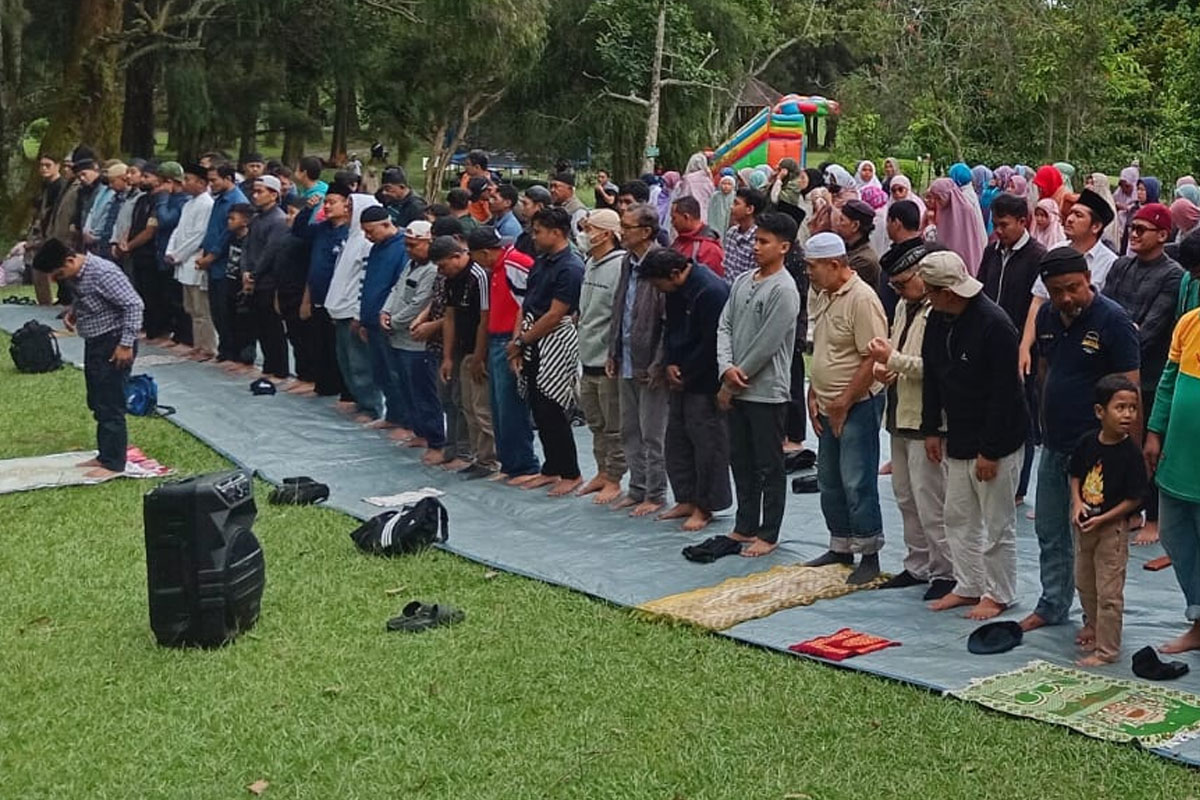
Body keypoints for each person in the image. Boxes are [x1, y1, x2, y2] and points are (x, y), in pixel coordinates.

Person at [1020, 246, 1140, 633]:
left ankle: (1095, 618)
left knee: (1093, 540)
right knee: (1050, 530)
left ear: (1088, 278)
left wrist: (1130, 457)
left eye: (1073, 287)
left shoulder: (1113, 322)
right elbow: (1044, 368)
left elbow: (1130, 391)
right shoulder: (1048, 316)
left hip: (1097, 454)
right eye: (1057, 291)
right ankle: (1053, 603)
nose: (1066, 297)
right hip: (1055, 446)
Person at [919, 250, 1028, 619]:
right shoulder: (938, 318)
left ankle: (999, 593)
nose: (929, 299)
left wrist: (991, 451)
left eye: (931, 292)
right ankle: (968, 585)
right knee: (958, 515)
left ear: (947, 291)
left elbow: (1006, 393)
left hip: (998, 437)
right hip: (959, 433)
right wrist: (931, 427)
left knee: (997, 522)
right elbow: (932, 376)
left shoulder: (994, 325)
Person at [866, 243, 955, 597]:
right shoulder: (905, 305)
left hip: (928, 420)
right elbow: (897, 352)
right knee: (906, 498)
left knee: (932, 500)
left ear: (922, 276)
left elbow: (938, 370)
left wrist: (894, 360)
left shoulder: (942, 308)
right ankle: (917, 565)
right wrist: (885, 364)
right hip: (899, 413)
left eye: (904, 283)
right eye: (895, 286)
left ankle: (945, 572)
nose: (899, 291)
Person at [802, 231, 888, 581]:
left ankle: (869, 554)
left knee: (858, 479)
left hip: (858, 403)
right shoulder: (822, 294)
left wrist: (844, 401)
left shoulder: (862, 299)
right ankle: (840, 546)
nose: (807, 273)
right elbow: (821, 346)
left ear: (835, 265)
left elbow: (873, 358)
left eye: (812, 267)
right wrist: (815, 393)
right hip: (827, 401)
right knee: (830, 478)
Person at [717, 211, 801, 557]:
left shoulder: (784, 290)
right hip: (736, 385)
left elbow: (767, 344)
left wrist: (734, 379)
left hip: (766, 392)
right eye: (756, 240)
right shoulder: (742, 281)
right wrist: (725, 367)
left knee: (768, 464)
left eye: (764, 242)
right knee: (740, 459)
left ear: (784, 247)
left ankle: (769, 532)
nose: (756, 247)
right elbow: (724, 326)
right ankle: (745, 524)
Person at [1102, 203, 1183, 544]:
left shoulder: (1173, 275)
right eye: (1131, 228)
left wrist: (1120, 335)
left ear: (1163, 235)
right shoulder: (1121, 266)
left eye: (1141, 230)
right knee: (1114, 443)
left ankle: (1153, 516)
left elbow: (1151, 329)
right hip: (1112, 370)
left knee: (1149, 446)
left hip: (1148, 375)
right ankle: (1126, 508)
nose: (1132, 235)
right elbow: (1103, 308)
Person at [32, 240, 143, 478]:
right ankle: (105, 455)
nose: (59, 279)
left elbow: (134, 305)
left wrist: (125, 344)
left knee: (111, 402)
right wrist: (74, 312)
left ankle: (114, 464)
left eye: (60, 273)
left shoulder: (103, 272)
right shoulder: (77, 275)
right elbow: (89, 298)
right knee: (98, 400)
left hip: (114, 343)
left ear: (71, 260)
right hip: (95, 342)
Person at [641, 247, 732, 531]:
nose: (658, 290)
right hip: (678, 373)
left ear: (674, 273)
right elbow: (670, 329)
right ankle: (686, 497)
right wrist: (669, 363)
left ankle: (705, 505)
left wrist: (688, 373)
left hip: (705, 380)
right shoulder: (673, 291)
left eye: (658, 284)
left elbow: (713, 342)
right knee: (677, 440)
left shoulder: (711, 291)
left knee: (708, 444)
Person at [1068, 375, 1146, 666]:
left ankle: (1107, 650)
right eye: (1120, 407)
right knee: (1084, 582)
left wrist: (1105, 520)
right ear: (1100, 412)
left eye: (1133, 408)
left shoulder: (1131, 454)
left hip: (1111, 530)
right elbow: (1075, 474)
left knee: (1109, 590)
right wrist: (1077, 503)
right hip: (1085, 525)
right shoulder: (1088, 442)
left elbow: (1134, 499)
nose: (1128, 414)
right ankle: (1094, 626)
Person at [506, 207, 585, 496]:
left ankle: (571, 472)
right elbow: (526, 304)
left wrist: (521, 341)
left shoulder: (571, 267)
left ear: (557, 232)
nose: (534, 237)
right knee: (538, 405)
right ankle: (551, 468)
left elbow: (555, 315)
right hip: (531, 335)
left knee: (553, 405)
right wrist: (518, 340)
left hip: (554, 338)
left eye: (538, 232)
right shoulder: (542, 261)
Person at [976, 192, 1047, 504]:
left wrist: (1026, 346)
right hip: (987, 346)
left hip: (1022, 350)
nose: (999, 231)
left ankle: (1018, 487)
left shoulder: (1037, 256)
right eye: (995, 225)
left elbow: (1038, 308)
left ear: (1023, 222)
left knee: (1021, 413)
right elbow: (980, 290)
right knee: (988, 406)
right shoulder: (992, 251)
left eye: (1004, 225)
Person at [608, 203, 669, 516]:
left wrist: (658, 363)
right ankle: (636, 487)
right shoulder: (627, 262)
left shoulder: (659, 263)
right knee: (629, 428)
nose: (622, 232)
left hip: (649, 364)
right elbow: (620, 304)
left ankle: (655, 492)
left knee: (652, 432)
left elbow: (666, 322)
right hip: (627, 357)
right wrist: (613, 350)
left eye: (627, 227)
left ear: (646, 232)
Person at [466, 225, 540, 482]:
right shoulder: (493, 270)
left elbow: (527, 303)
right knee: (498, 406)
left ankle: (524, 465)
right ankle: (509, 464)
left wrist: (517, 342)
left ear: (485, 252)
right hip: (496, 339)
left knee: (511, 407)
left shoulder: (514, 264)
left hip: (511, 340)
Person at [1018, 189, 1118, 377]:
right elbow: (1038, 300)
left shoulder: (1110, 262)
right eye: (1071, 213)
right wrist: (1025, 345)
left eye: (1078, 215)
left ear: (1095, 227)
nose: (1069, 218)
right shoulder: (1056, 251)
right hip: (1051, 342)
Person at [1146, 305, 1200, 653]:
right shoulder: (1189, 321)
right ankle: (1198, 617)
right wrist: (1154, 430)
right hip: (1177, 459)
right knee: (1174, 537)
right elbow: (1167, 381)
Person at [381, 220, 445, 464]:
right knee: (407, 388)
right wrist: (384, 313)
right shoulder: (411, 264)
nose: (408, 249)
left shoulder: (432, 269)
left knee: (424, 392)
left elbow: (420, 302)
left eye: (413, 245)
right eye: (406, 245)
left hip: (417, 341)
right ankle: (419, 431)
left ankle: (436, 440)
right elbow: (396, 290)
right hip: (398, 337)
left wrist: (395, 321)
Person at [433, 235, 497, 477]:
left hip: (478, 348)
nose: (441, 271)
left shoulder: (478, 276)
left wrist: (479, 356)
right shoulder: (451, 279)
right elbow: (449, 318)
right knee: (465, 403)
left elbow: (485, 319)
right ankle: (476, 456)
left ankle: (489, 459)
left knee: (481, 407)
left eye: (443, 265)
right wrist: (448, 356)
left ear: (457, 256)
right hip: (462, 348)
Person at [575, 209, 627, 504]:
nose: (584, 233)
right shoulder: (590, 263)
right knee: (594, 421)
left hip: (607, 358)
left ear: (606, 233)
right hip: (587, 354)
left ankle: (615, 476)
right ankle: (601, 470)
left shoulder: (620, 265)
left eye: (589, 228)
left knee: (613, 423)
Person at [324, 192, 385, 420]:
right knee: (346, 361)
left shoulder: (364, 242)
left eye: (351, 206)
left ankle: (371, 406)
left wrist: (359, 312)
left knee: (360, 363)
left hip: (352, 311)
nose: (347, 210)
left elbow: (364, 279)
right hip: (341, 309)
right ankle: (360, 401)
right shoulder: (350, 238)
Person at [292, 183, 352, 399]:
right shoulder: (322, 229)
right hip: (317, 295)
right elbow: (298, 231)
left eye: (331, 202)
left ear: (347, 205)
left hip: (340, 299)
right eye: (325, 202)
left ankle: (346, 392)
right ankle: (324, 386)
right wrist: (308, 210)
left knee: (340, 349)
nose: (326, 207)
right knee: (319, 345)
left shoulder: (352, 232)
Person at [359, 205, 411, 434]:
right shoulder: (377, 248)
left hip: (389, 322)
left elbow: (399, 289)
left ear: (386, 224)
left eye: (371, 231)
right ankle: (393, 415)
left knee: (397, 373)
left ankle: (407, 421)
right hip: (371, 320)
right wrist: (363, 319)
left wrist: (392, 318)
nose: (367, 237)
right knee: (381, 372)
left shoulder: (402, 248)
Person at [197, 162, 248, 362]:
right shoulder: (219, 199)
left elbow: (227, 234)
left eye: (214, 180)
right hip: (212, 261)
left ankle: (232, 353)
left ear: (228, 179)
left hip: (224, 263)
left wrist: (211, 256)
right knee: (216, 310)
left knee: (226, 311)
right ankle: (225, 350)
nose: (211, 185)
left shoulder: (236, 201)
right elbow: (213, 228)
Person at [242, 175, 291, 379]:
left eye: (260, 191)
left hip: (268, 281)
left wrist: (254, 274)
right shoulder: (256, 218)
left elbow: (270, 252)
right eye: (254, 191)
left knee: (272, 328)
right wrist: (245, 271)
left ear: (274, 194)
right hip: (253, 279)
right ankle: (269, 366)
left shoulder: (278, 220)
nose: (255, 196)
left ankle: (278, 368)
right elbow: (246, 246)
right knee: (260, 325)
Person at [925, 177, 987, 276]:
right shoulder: (942, 210)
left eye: (939, 198)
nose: (937, 202)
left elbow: (970, 240)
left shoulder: (966, 210)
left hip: (964, 254)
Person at [878, 199, 925, 323]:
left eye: (888, 221)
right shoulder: (922, 249)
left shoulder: (910, 256)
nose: (886, 226)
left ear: (896, 223)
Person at [669, 196, 723, 277]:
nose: (672, 223)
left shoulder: (709, 250)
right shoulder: (681, 240)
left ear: (686, 217)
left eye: (674, 218)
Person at [834, 199, 882, 288]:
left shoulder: (864, 260)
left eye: (842, 220)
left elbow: (835, 283)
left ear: (855, 225)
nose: (838, 224)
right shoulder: (850, 248)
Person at [721, 188, 764, 285]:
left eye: (736, 204)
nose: (732, 207)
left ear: (749, 209)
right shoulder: (731, 233)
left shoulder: (757, 241)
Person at [549, 171, 588, 242]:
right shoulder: (552, 207)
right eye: (551, 186)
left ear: (570, 189)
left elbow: (580, 241)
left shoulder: (578, 211)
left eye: (556, 186)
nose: (552, 190)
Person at [515, 185, 552, 258]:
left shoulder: (546, 237)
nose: (522, 208)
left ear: (539, 206)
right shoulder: (527, 232)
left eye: (525, 204)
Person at [708, 175, 736, 239]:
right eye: (724, 183)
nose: (726, 186)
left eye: (729, 184)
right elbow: (711, 211)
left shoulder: (734, 196)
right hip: (717, 222)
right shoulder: (716, 196)